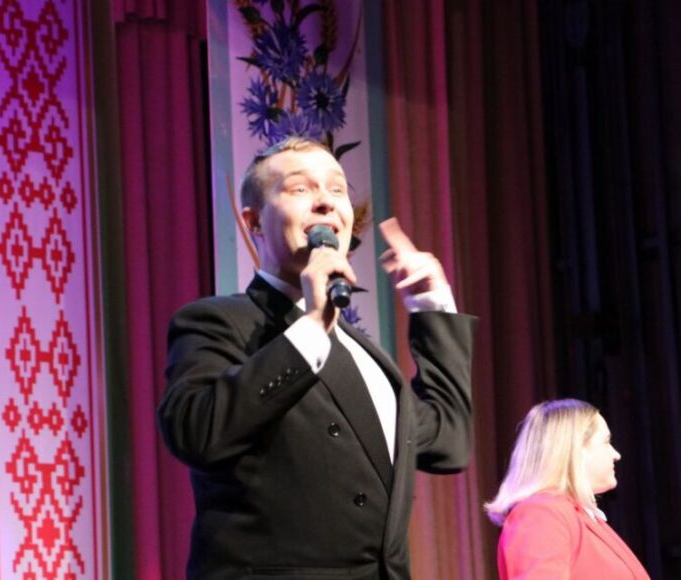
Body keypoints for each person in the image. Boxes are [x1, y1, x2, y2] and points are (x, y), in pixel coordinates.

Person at [157, 137, 477, 580]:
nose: (326, 201)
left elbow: (447, 442)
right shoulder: (216, 321)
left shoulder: (364, 354)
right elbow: (195, 431)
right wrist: (311, 326)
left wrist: (433, 307)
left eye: (337, 188)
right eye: (300, 188)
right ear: (253, 222)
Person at [484, 399, 650, 579]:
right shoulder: (542, 513)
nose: (616, 454)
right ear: (574, 449)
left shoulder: (576, 515)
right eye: (606, 442)